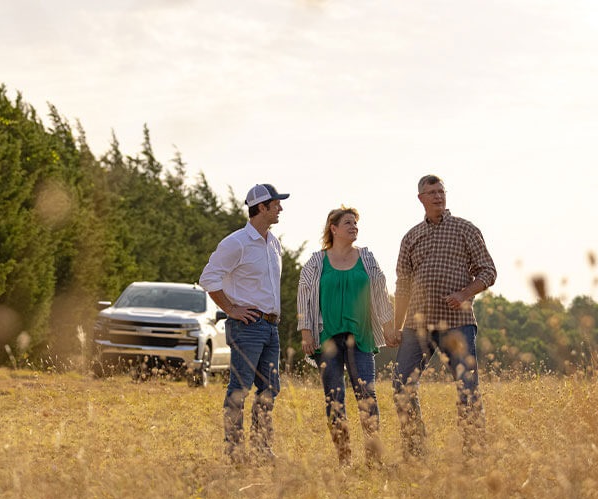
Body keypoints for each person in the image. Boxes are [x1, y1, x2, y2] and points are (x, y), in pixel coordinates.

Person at [389, 174, 497, 459]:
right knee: (402, 384)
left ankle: (474, 453)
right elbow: (403, 285)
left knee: (467, 387)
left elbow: (488, 271)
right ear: (420, 198)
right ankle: (415, 452)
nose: (438, 196)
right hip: (417, 324)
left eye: (441, 191)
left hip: (457, 324)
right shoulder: (411, 237)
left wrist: (464, 294)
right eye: (431, 192)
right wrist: (395, 327)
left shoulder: (465, 229)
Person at [298, 207, 397, 466]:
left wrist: (388, 325)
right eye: (348, 223)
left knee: (367, 396)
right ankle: (344, 458)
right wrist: (306, 333)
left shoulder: (367, 257)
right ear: (334, 228)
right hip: (327, 337)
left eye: (356, 223)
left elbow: (380, 290)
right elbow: (305, 297)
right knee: (334, 397)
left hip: (361, 336)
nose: (354, 227)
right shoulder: (317, 261)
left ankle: (374, 458)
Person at [199, 183, 288, 464]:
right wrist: (231, 309)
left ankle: (262, 449)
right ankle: (235, 452)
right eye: (276, 204)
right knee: (240, 388)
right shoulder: (236, 242)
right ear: (261, 207)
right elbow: (208, 278)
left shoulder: (273, 242)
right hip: (247, 327)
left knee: (269, 388)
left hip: (271, 327)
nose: (280, 208)